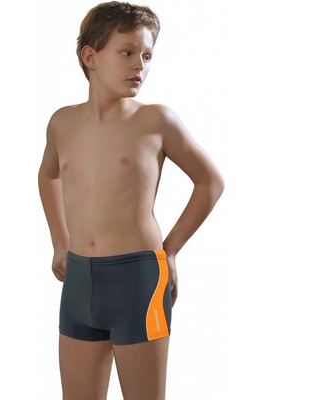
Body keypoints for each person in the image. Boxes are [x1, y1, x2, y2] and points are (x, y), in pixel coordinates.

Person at [38, 2, 224, 399]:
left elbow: (210, 182)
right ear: (90, 57)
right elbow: (48, 174)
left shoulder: (156, 121)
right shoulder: (62, 122)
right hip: (79, 281)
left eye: (147, 56)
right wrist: (59, 241)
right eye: (127, 52)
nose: (140, 64)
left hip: (138, 279)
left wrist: (171, 251)